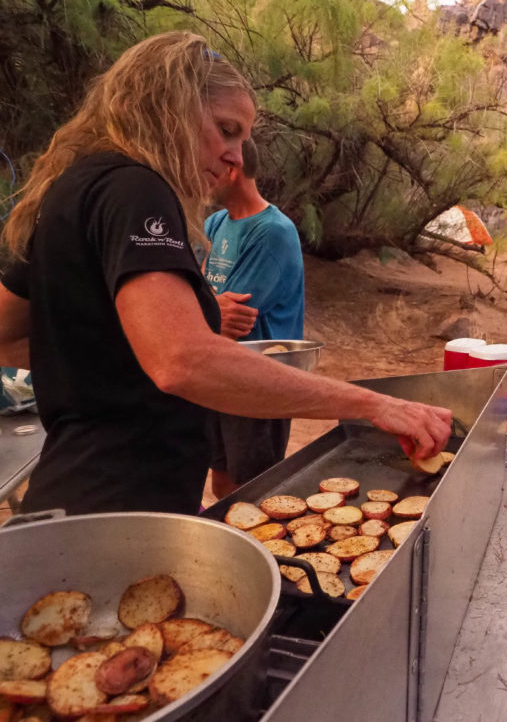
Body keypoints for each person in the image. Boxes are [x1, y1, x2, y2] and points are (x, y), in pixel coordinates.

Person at [0, 31, 450, 516]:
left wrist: (127, 356)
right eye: (227, 129)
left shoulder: (74, 187)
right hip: (122, 509)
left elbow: (6, 334)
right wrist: (373, 404)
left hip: (68, 493)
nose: (237, 155)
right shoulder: (137, 189)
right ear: (168, 108)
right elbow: (185, 360)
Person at [203, 139, 305, 498]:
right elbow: (205, 302)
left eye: (208, 169)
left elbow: (234, 319)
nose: (201, 177)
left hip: (257, 383)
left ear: (231, 170)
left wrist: (204, 309)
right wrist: (209, 309)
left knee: (254, 494)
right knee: (221, 484)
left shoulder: (273, 232)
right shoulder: (216, 223)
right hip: (219, 374)